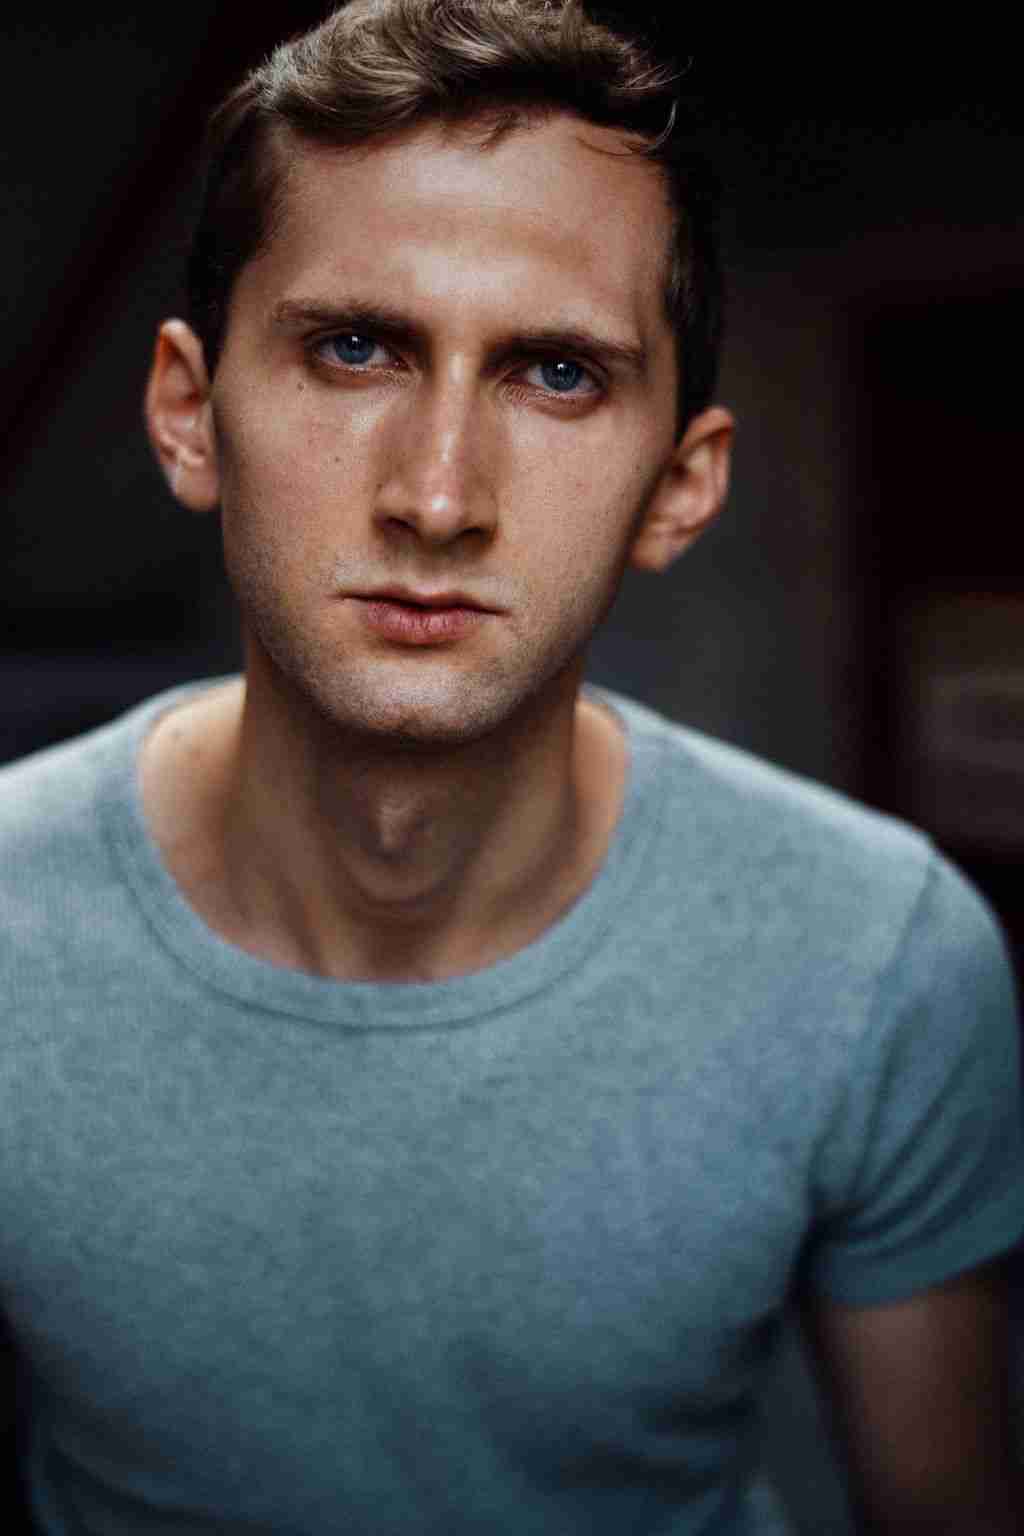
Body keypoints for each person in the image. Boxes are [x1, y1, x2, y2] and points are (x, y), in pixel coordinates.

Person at [1, 1, 1021, 1531]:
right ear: (188, 414)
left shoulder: (880, 956)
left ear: (680, 487)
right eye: (354, 348)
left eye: (555, 374)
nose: (437, 496)